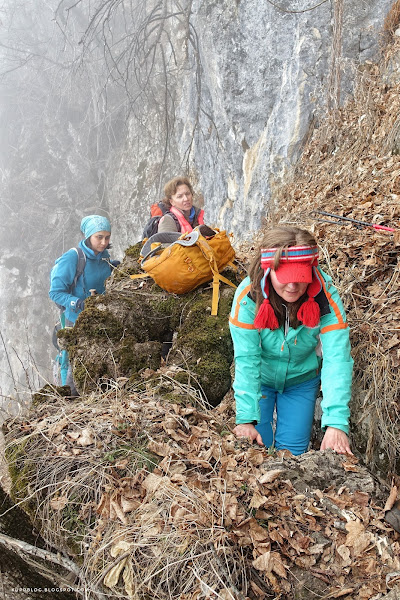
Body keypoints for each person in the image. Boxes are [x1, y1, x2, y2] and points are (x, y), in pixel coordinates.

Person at [229, 226, 353, 456]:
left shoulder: (325, 296)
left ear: (312, 270)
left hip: (302, 380)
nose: (293, 286)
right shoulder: (248, 297)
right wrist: (246, 419)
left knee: (293, 453)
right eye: (285, 278)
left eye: (300, 278)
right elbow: (246, 359)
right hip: (261, 378)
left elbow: (338, 358)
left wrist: (336, 423)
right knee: (257, 448)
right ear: (268, 270)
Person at [49, 215, 115, 395]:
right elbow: (55, 292)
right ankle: (69, 399)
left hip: (98, 318)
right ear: (88, 236)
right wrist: (76, 302)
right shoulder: (73, 257)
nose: (103, 242)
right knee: (74, 363)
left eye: (107, 237)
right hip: (74, 320)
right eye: (99, 237)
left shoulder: (104, 257)